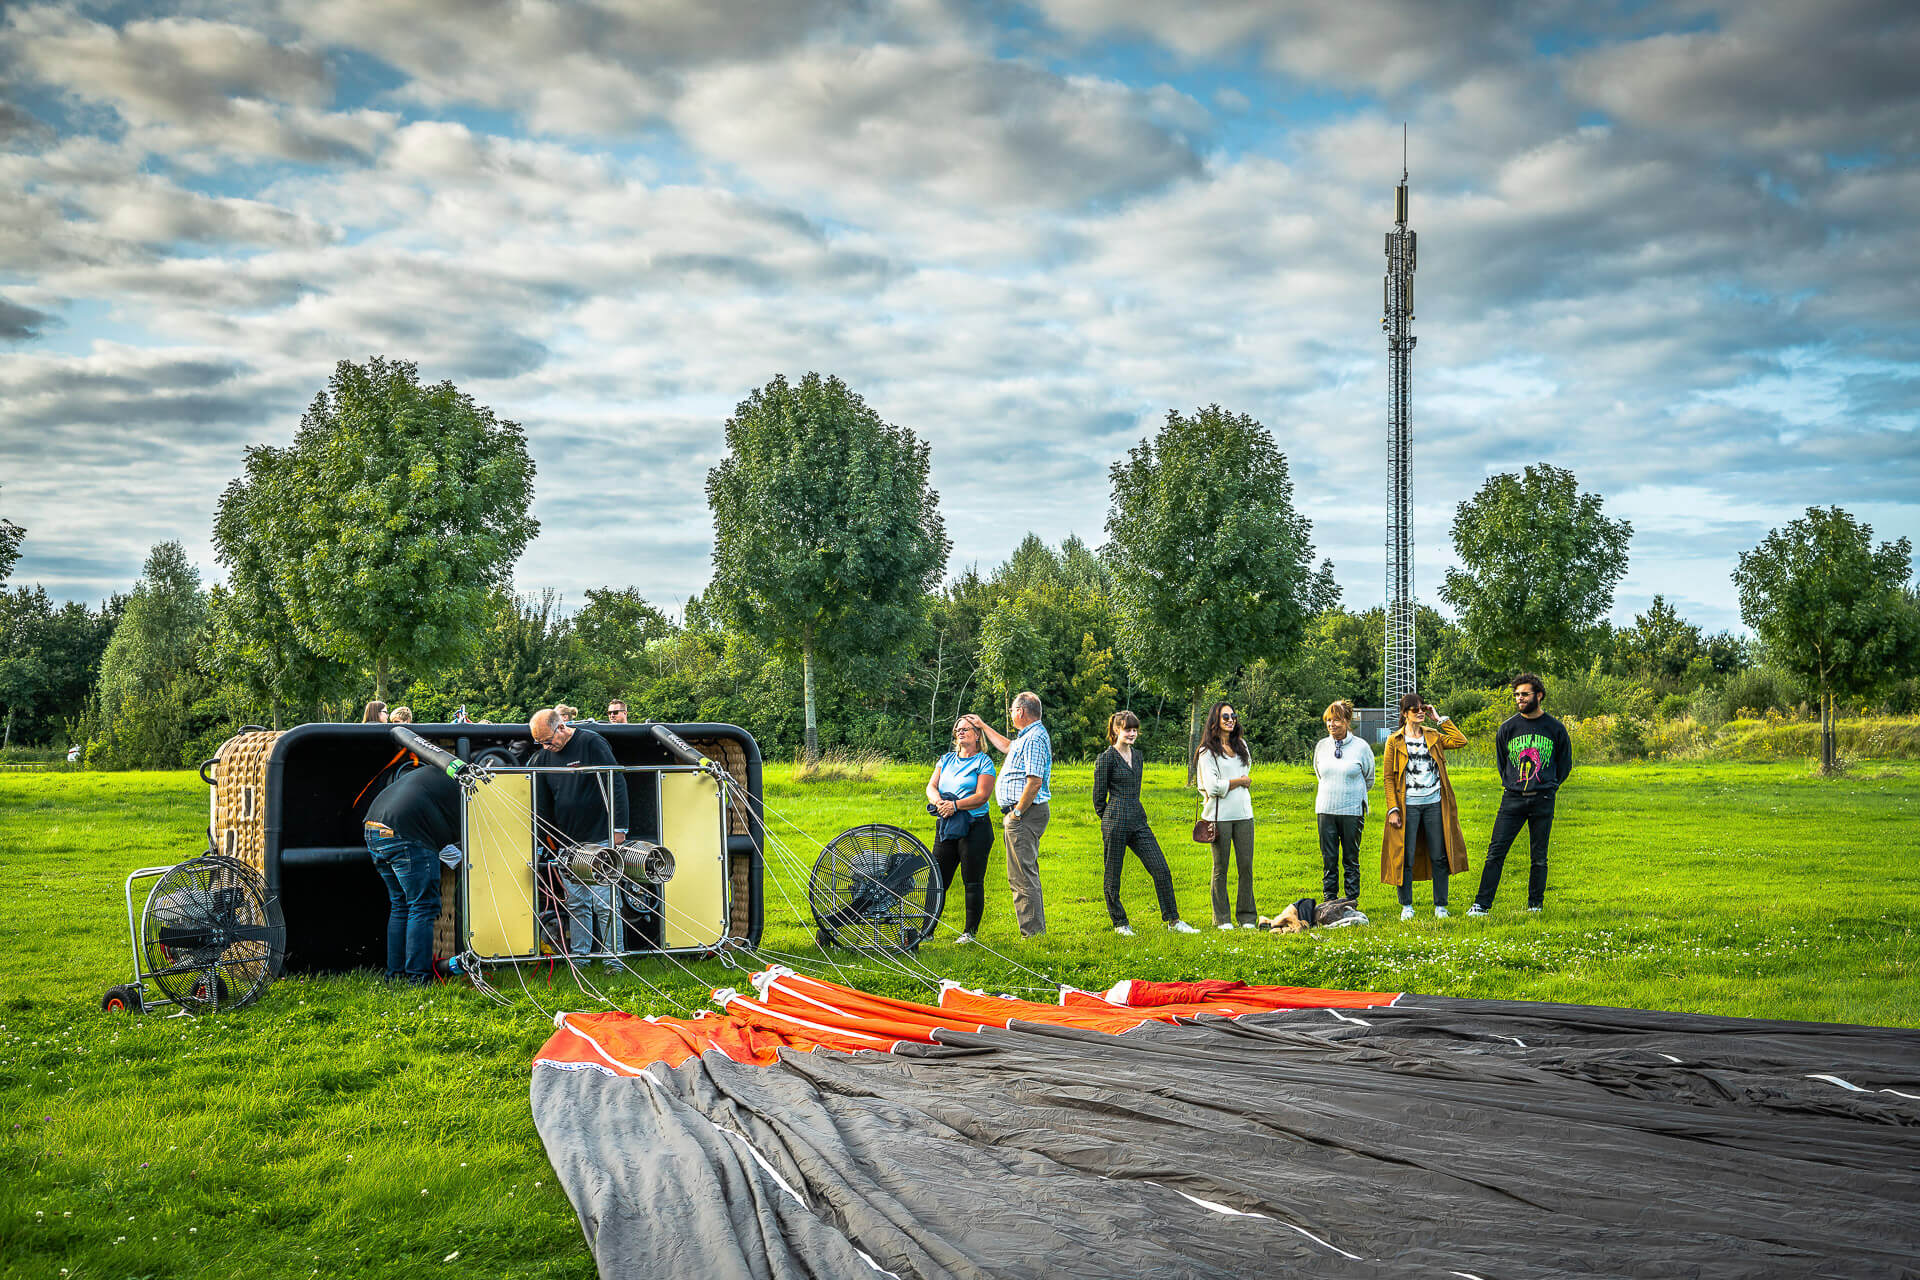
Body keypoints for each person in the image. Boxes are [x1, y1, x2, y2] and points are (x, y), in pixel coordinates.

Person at [529, 707, 630, 959]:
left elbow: (615, 781)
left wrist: (619, 828)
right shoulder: (543, 757)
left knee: (605, 903)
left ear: (561, 726)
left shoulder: (591, 742)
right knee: (576, 904)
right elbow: (541, 802)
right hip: (568, 842)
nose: (545, 746)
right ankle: (580, 958)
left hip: (601, 835)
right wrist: (546, 838)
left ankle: (613, 959)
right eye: (539, 742)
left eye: (548, 740)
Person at [1471, 673, 1575, 916]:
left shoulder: (1555, 728)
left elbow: (1565, 763)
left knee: (1539, 856)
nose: (1520, 698)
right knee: (1495, 852)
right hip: (1513, 798)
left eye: (1525, 694)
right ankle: (1481, 905)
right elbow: (1502, 763)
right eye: (1517, 694)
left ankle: (1535, 905)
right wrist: (1514, 784)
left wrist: (1550, 786)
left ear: (1538, 695)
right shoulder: (1508, 728)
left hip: (1543, 799)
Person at [1092, 711, 1198, 937]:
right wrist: (1111, 819)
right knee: (1113, 875)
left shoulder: (1138, 756)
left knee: (1161, 869)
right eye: (1127, 729)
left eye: (1134, 729)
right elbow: (1098, 800)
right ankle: (1120, 923)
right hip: (1115, 821)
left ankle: (1173, 920)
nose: (1132, 733)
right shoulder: (1106, 758)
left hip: (1139, 821)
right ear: (1116, 730)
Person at [362, 758, 459, 983]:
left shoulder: (433, 774)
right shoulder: (465, 788)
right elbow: (450, 834)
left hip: (373, 828)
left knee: (401, 905)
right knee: (422, 906)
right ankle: (418, 978)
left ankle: (395, 975)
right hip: (405, 834)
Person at [965, 692, 1051, 938]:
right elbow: (1006, 745)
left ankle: (1033, 934)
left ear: (1021, 712)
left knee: (1022, 876)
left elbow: (1034, 781)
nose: (1011, 714)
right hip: (1021, 813)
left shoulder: (1034, 738)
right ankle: (1034, 931)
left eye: (1012, 710)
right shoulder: (1027, 736)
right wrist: (982, 725)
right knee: (1022, 873)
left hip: (1024, 813)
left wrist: (1017, 812)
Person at [1380, 693, 1468, 921]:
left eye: (1422, 708)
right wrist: (1393, 809)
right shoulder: (1394, 740)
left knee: (1439, 855)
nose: (1420, 712)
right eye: (1414, 709)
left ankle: (1441, 906)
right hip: (1407, 805)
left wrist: (1438, 718)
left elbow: (1460, 741)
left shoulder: (1433, 736)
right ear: (1404, 713)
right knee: (1404, 856)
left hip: (1434, 803)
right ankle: (1406, 906)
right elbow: (1388, 778)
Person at [924, 717, 997, 944]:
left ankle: (969, 933)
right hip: (947, 825)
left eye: (966, 729)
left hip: (974, 828)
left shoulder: (983, 762)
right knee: (937, 880)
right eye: (958, 730)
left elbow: (982, 796)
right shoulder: (945, 760)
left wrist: (955, 805)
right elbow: (931, 786)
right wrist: (939, 803)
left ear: (977, 735)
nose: (960, 732)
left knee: (972, 880)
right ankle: (926, 931)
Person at [1194, 702, 1257, 929]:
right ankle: (1222, 919)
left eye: (1233, 715)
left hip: (1244, 814)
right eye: (1225, 716)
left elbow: (1246, 771)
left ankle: (1247, 917)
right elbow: (1212, 787)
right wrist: (1239, 782)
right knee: (1221, 868)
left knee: (1246, 867)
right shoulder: (1206, 752)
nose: (1231, 719)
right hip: (1219, 817)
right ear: (1215, 721)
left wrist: (1230, 783)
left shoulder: (1241, 745)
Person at [1313, 699, 1374, 903]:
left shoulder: (1361, 747)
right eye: (1328, 720)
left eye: (1336, 720)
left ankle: (1350, 899)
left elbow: (1369, 778)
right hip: (1326, 810)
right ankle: (1329, 899)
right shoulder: (1322, 746)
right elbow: (1320, 773)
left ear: (1347, 722)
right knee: (1329, 858)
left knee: (1350, 857)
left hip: (1352, 810)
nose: (1332, 725)